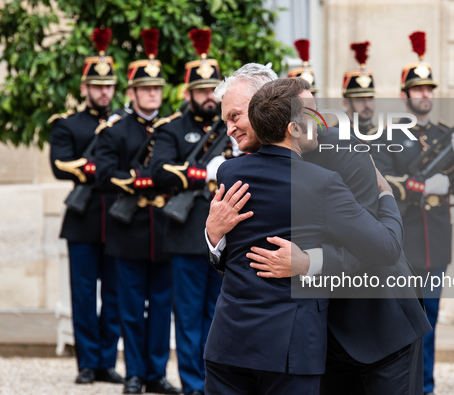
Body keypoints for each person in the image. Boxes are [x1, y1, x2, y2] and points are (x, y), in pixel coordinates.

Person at [213, 63, 430, 394]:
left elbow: (373, 250)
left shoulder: (344, 152)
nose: (229, 129)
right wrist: (213, 236)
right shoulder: (243, 167)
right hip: (310, 338)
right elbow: (247, 254)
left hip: (375, 326)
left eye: (235, 116)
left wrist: (309, 262)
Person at [372, 31, 454, 395]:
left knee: (429, 320)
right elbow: (381, 182)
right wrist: (422, 186)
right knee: (402, 321)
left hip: (437, 241)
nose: (425, 94)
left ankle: (426, 385)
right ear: (404, 94)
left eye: (429, 89)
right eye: (418, 89)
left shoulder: (447, 135)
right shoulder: (388, 135)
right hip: (404, 241)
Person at [94, 29, 183, 395]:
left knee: (162, 308)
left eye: (157, 88)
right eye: (145, 89)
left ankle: (156, 373)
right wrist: (137, 182)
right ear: (131, 92)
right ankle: (133, 373)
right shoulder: (116, 130)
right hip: (128, 230)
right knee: (130, 308)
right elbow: (102, 174)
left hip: (164, 230)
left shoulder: (174, 129)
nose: (152, 94)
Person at [151, 28, 229, 395]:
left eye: (214, 90)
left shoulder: (232, 128)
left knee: (218, 315)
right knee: (187, 318)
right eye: (201, 91)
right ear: (187, 93)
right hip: (186, 237)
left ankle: (215, 382)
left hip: (226, 237)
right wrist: (203, 174)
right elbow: (159, 170)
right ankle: (193, 385)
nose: (208, 98)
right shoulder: (171, 128)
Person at [49, 27, 123, 386]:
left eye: (108, 85)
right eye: (97, 85)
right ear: (84, 88)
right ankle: (87, 364)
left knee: (114, 296)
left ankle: (107, 361)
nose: (103, 91)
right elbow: (59, 164)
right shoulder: (68, 125)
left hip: (120, 221)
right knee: (82, 295)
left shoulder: (124, 123)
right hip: (82, 220)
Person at [342, 41, 376, 135]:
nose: (367, 105)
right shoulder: (334, 135)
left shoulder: (383, 135)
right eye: (360, 99)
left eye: (370, 99)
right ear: (346, 102)